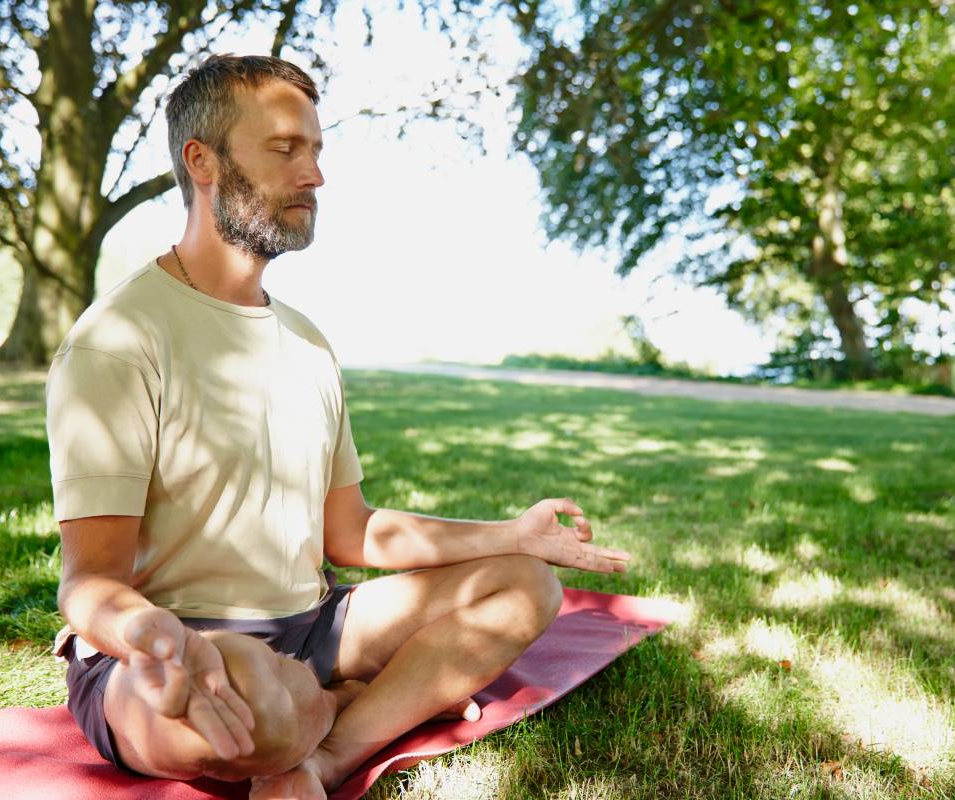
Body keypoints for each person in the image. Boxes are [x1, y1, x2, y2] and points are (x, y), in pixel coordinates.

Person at [47, 53, 631, 799]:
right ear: (203, 161)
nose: (315, 175)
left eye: (317, 151)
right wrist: (153, 637)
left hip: (313, 626)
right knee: (245, 712)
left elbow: (349, 533)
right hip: (163, 653)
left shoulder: (309, 343)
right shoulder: (118, 341)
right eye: (286, 149)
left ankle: (323, 756)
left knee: (528, 588)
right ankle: (330, 708)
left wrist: (511, 536)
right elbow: (90, 581)